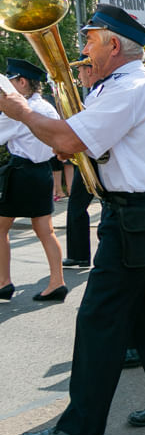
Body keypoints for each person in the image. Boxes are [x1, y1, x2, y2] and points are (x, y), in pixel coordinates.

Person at [2, 4, 145, 435]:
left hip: (138, 216)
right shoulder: (124, 85)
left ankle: (82, 425)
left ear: (114, 45)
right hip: (142, 214)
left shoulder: (130, 87)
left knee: (99, 320)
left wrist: (20, 110)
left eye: (88, 40)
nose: (81, 50)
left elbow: (69, 142)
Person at [0, 59, 66, 301]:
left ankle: (3, 282)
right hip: (42, 172)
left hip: (21, 173)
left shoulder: (18, 109)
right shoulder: (46, 107)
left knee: (0, 228)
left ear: (22, 81)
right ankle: (57, 281)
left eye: (10, 82)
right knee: (45, 230)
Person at [62, 56, 99, 268]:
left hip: (93, 158)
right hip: (93, 156)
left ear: (90, 69)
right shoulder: (97, 92)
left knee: (76, 206)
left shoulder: (98, 93)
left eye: (80, 70)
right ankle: (80, 254)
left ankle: (79, 254)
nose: (78, 75)